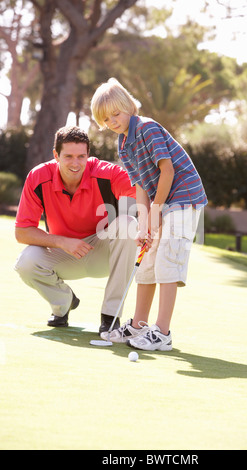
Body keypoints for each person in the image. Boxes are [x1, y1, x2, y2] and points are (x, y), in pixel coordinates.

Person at [90, 78, 208, 351]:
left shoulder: (147, 128)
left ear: (129, 106)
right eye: (106, 119)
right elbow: (141, 183)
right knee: (147, 262)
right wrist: (144, 223)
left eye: (116, 114)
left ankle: (162, 332)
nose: (113, 121)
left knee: (168, 261)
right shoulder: (123, 143)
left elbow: (168, 171)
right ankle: (139, 325)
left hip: (183, 198)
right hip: (161, 201)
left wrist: (156, 210)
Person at [14, 125, 138, 335]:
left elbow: (142, 194)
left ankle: (111, 317)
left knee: (128, 223)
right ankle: (64, 303)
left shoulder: (108, 174)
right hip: (64, 253)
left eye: (81, 156)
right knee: (25, 263)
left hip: (104, 254)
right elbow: (22, 232)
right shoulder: (38, 177)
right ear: (56, 155)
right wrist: (62, 242)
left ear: (88, 155)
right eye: (68, 156)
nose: (75, 163)